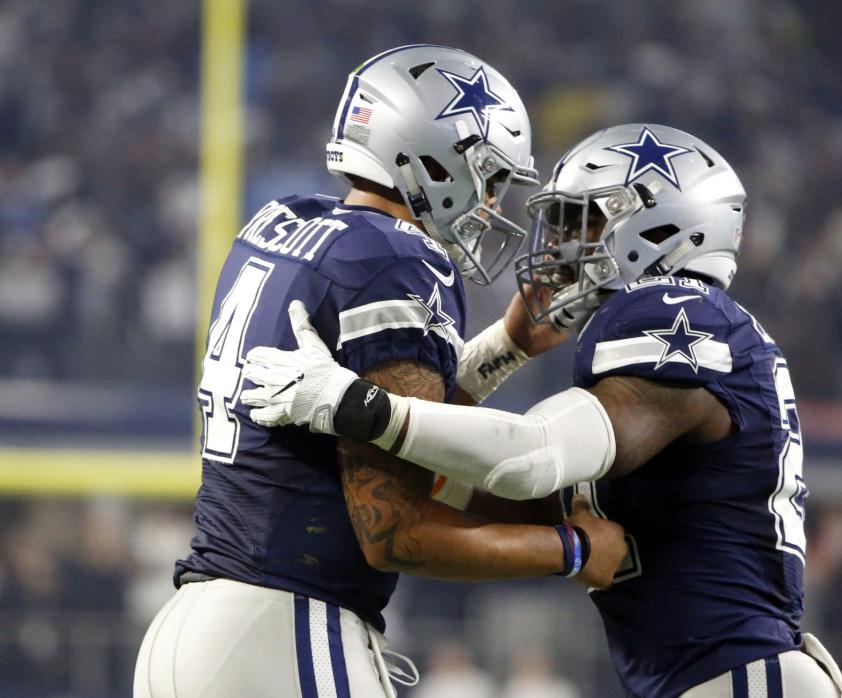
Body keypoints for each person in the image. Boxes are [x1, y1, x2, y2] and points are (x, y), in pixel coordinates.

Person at [241, 124, 842, 697]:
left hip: (744, 677)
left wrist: (352, 405)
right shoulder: (676, 353)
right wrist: (497, 355)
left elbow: (528, 456)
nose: (558, 245)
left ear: (665, 232)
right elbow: (459, 481)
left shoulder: (681, 315)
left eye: (581, 221)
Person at [133, 45, 627, 698]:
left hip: (194, 631)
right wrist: (572, 552)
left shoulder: (284, 224)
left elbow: (395, 433)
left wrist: (505, 345)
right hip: (287, 629)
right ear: (432, 154)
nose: (492, 202)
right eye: (490, 177)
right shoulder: (397, 262)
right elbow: (394, 530)